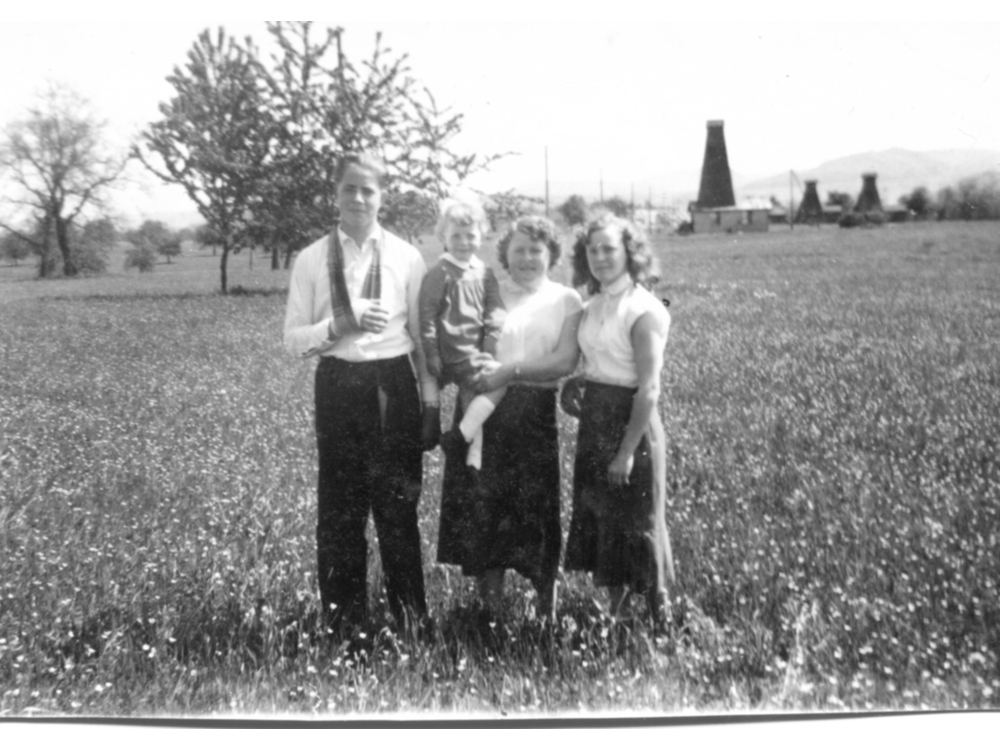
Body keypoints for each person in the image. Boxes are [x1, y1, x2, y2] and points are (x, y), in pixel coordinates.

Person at [283, 151, 440, 637]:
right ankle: (345, 626)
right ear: (334, 195)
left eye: (368, 190)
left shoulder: (406, 256)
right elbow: (292, 340)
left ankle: (412, 621)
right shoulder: (311, 258)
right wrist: (338, 325)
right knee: (340, 512)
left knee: (397, 508)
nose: (357, 198)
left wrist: (431, 402)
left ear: (382, 197)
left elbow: (421, 336)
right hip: (338, 385)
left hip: (393, 385)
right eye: (348, 188)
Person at [436, 216, 583, 621]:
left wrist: (511, 372)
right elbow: (458, 336)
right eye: (518, 250)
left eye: (536, 250)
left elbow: (565, 360)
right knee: (486, 511)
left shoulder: (566, 299)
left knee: (538, 511)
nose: (527, 258)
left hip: (533, 414)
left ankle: (546, 616)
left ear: (550, 254)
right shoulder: (489, 289)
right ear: (505, 254)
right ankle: (491, 614)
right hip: (483, 410)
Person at [564, 214, 675, 628]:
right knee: (606, 524)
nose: (600, 257)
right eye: (592, 249)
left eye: (609, 248)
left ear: (630, 252)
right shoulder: (595, 304)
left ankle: (658, 625)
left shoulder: (644, 308)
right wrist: (582, 380)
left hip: (633, 426)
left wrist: (627, 453)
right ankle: (619, 621)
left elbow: (647, 388)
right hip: (595, 421)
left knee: (639, 523)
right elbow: (606, 360)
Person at [418, 195, 505, 470]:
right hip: (444, 353)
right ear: (443, 236)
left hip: (472, 353)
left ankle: (473, 452)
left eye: (470, 235)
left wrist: (492, 337)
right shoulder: (439, 273)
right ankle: (428, 424)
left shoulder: (484, 272)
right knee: (422, 384)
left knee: (473, 400)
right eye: (456, 235)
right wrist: (431, 352)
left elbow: (496, 308)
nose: (464, 242)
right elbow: (427, 315)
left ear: (482, 236)